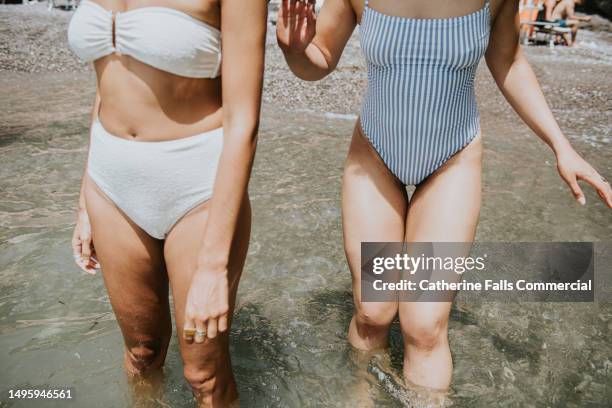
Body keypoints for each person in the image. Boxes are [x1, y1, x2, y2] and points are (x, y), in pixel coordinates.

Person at [277, 0, 611, 398]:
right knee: (373, 312)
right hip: (375, 156)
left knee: (424, 326)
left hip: (452, 161)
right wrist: (294, 51)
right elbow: (320, 59)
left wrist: (561, 146)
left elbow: (509, 61)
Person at [68, 0, 267, 406]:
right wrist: (85, 196)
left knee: (204, 375)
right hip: (111, 182)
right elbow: (108, 81)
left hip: (197, 185)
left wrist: (214, 267)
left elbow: (244, 121)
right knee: (142, 353)